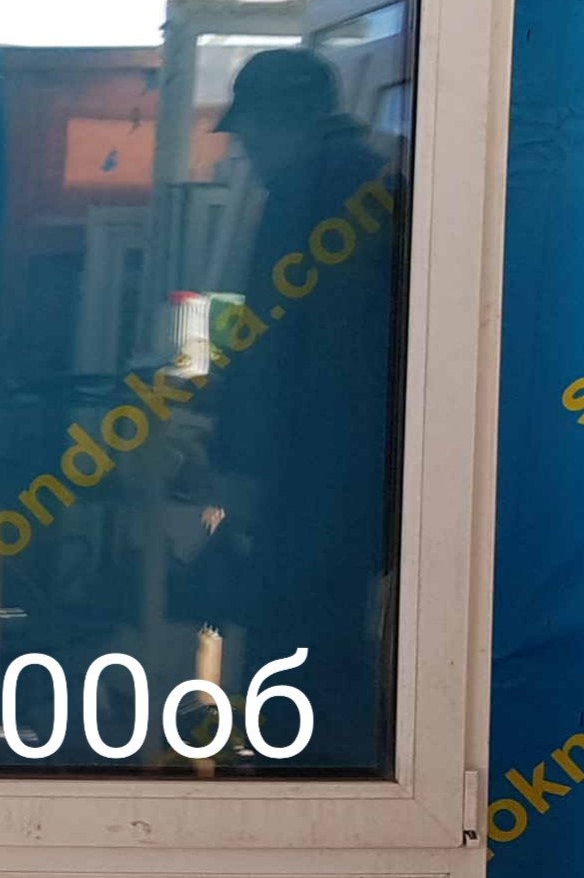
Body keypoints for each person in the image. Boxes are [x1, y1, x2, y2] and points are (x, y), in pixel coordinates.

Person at [198, 46, 403, 771]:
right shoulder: (381, 182)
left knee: (289, 645)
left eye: (251, 134)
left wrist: (236, 466)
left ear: (283, 123)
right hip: (360, 482)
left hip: (303, 481)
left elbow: (272, 348)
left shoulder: (305, 195)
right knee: (337, 646)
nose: (247, 153)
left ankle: (293, 786)